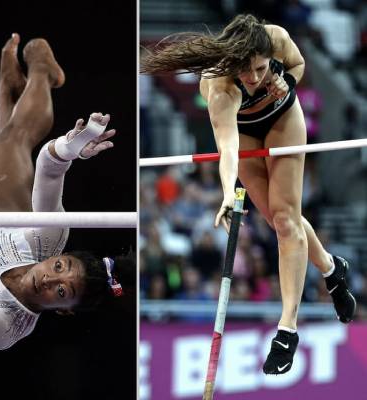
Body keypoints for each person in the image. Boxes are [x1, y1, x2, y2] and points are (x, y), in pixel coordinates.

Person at [141, 14, 356, 375]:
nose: (254, 78)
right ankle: (332, 269)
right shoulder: (218, 87)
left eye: (259, 69)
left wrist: (286, 82)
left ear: (266, 54)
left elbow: (299, 65)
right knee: (276, 220)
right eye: (246, 71)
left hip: (284, 120)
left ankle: (287, 330)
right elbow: (226, 148)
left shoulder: (277, 38)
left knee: (287, 220)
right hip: (244, 135)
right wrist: (228, 192)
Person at [0, 34, 133, 350]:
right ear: (59, 257)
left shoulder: (6, 329)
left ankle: (7, 91)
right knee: (14, 139)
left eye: (62, 292)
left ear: (64, 311)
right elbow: (49, 166)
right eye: (60, 267)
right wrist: (69, 148)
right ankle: (42, 69)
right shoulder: (48, 237)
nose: (49, 279)